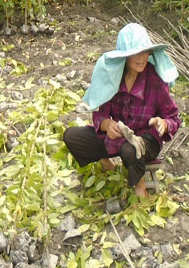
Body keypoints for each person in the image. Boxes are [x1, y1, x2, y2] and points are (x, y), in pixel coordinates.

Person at [63, 23, 181, 198]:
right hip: (117, 138)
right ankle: (106, 163)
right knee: (72, 136)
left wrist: (163, 123)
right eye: (135, 54)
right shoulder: (115, 77)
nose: (141, 58)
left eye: (145, 52)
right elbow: (100, 114)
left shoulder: (155, 79)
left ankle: (139, 184)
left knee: (130, 149)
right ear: (124, 57)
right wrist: (106, 124)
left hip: (145, 141)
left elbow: (173, 117)